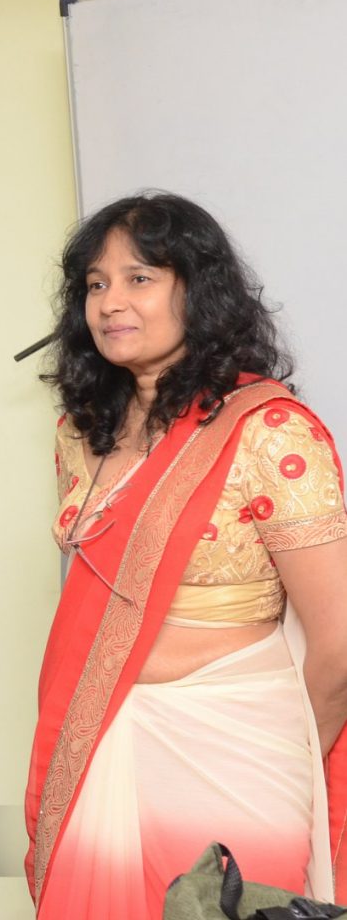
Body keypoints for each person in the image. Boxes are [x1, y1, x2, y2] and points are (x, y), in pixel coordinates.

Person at [24, 192, 347, 919]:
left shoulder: (271, 433)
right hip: (103, 735)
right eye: (96, 284)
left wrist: (293, 750)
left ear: (198, 292)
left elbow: (340, 641)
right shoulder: (82, 431)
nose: (110, 302)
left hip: (241, 751)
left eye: (139, 278)